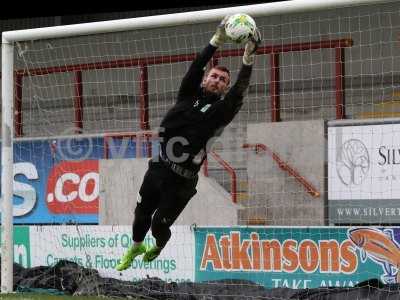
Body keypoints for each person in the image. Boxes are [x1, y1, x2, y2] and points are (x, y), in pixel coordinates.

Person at [116, 16, 261, 271]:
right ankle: (135, 246)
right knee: (141, 214)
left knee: (160, 225)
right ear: (206, 80)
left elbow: (239, 91)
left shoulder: (222, 111)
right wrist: (216, 40)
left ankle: (159, 246)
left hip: (182, 181)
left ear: (224, 88)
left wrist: (248, 59)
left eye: (222, 80)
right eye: (214, 76)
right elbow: (196, 67)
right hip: (158, 167)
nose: (217, 80)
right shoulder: (187, 95)